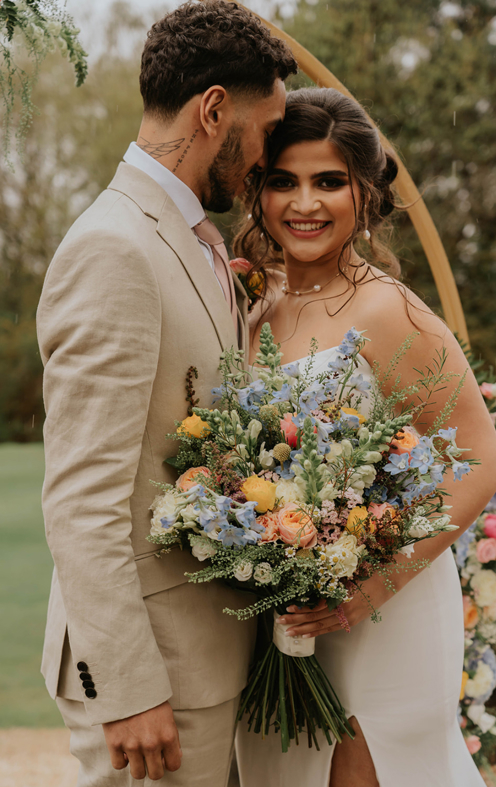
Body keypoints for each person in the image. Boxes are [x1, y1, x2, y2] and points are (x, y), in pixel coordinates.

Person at [36, 3, 296, 785]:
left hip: (207, 664)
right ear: (214, 110)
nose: (265, 156)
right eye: (265, 131)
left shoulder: (186, 239)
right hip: (156, 681)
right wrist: (127, 688)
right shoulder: (114, 249)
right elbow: (81, 497)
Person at [233, 87, 496, 787]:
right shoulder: (256, 305)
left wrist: (369, 587)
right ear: (259, 191)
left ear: (365, 194)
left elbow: (480, 460)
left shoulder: (389, 311)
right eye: (284, 181)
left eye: (329, 182)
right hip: (286, 609)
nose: (305, 203)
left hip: (385, 613)